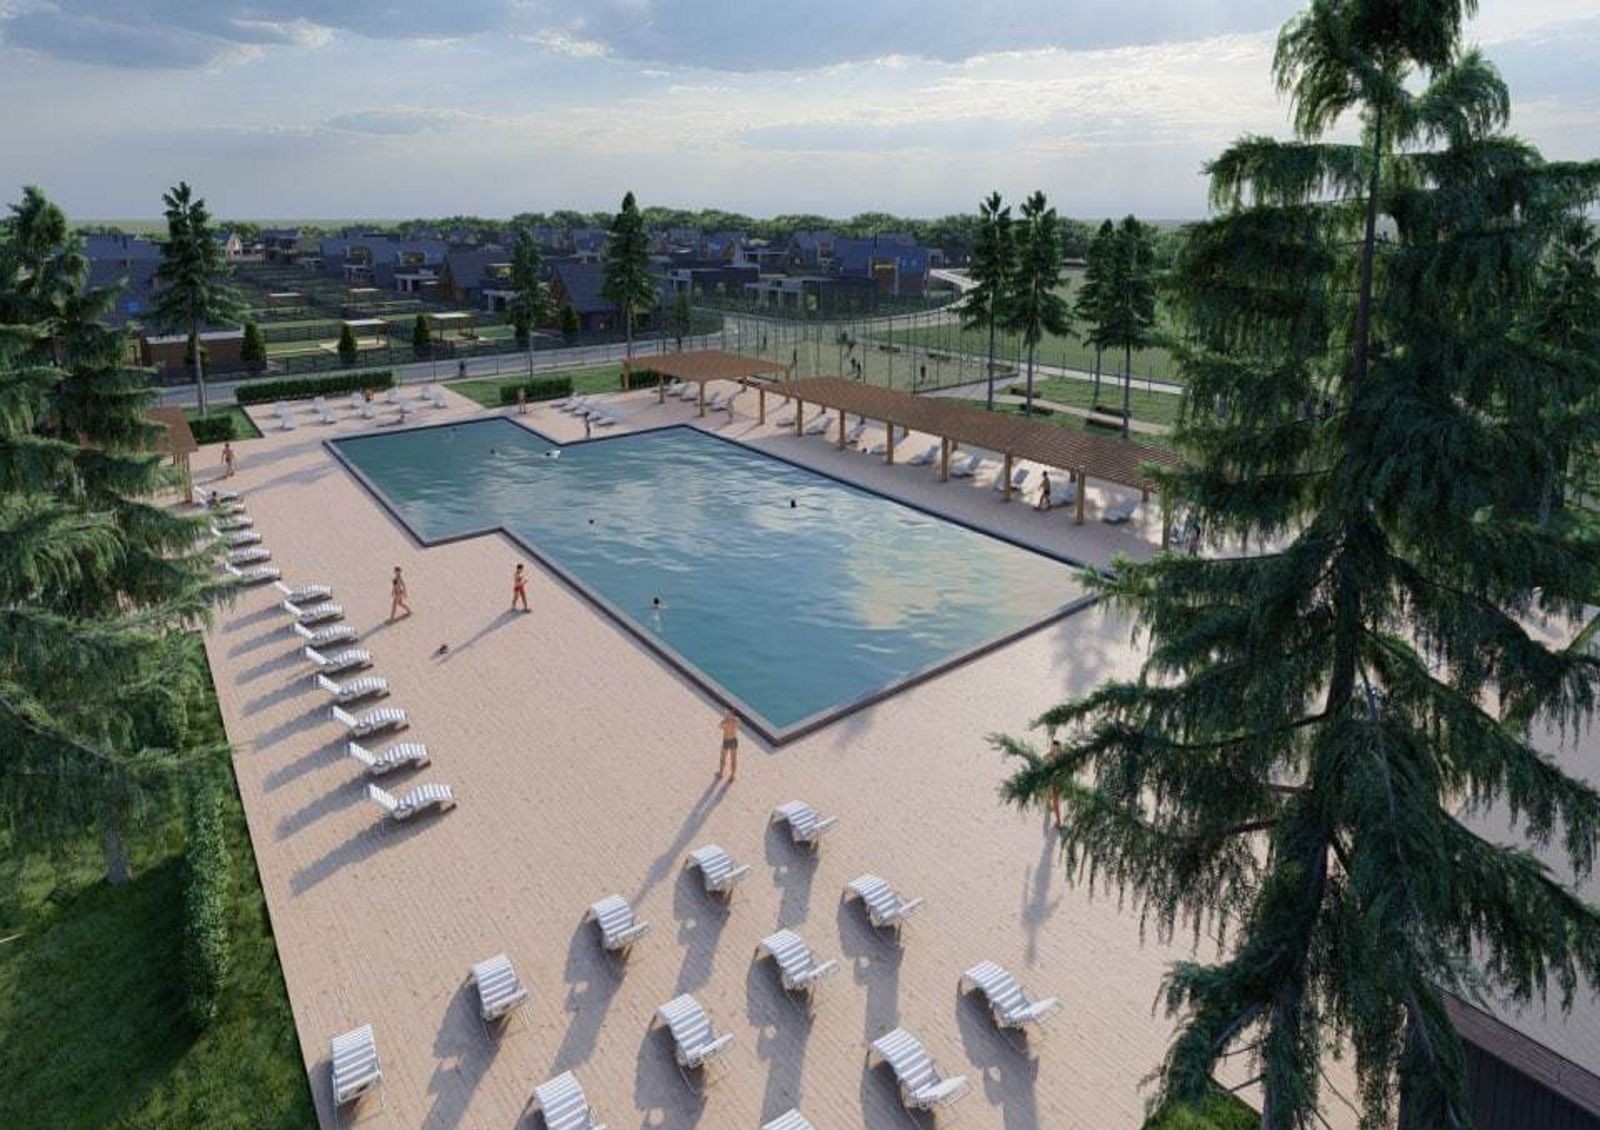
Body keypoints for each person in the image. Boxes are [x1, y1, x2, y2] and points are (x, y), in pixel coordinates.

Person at [717, 707, 739, 783]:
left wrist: (725, 719)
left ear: (730, 714)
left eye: (727, 713)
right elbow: (737, 725)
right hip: (734, 740)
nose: (726, 714)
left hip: (726, 741)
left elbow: (720, 726)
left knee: (723, 757)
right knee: (733, 758)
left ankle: (721, 773)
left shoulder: (725, 722)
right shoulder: (737, 720)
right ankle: (732, 776)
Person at [1047, 738, 1064, 826]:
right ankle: (1050, 806)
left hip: (1058, 782)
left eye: (1056, 749)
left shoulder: (1062, 759)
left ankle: (1058, 821)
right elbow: (1044, 760)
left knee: (1056, 802)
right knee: (1049, 794)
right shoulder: (1049, 756)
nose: (1053, 751)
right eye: (1052, 749)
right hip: (1051, 781)